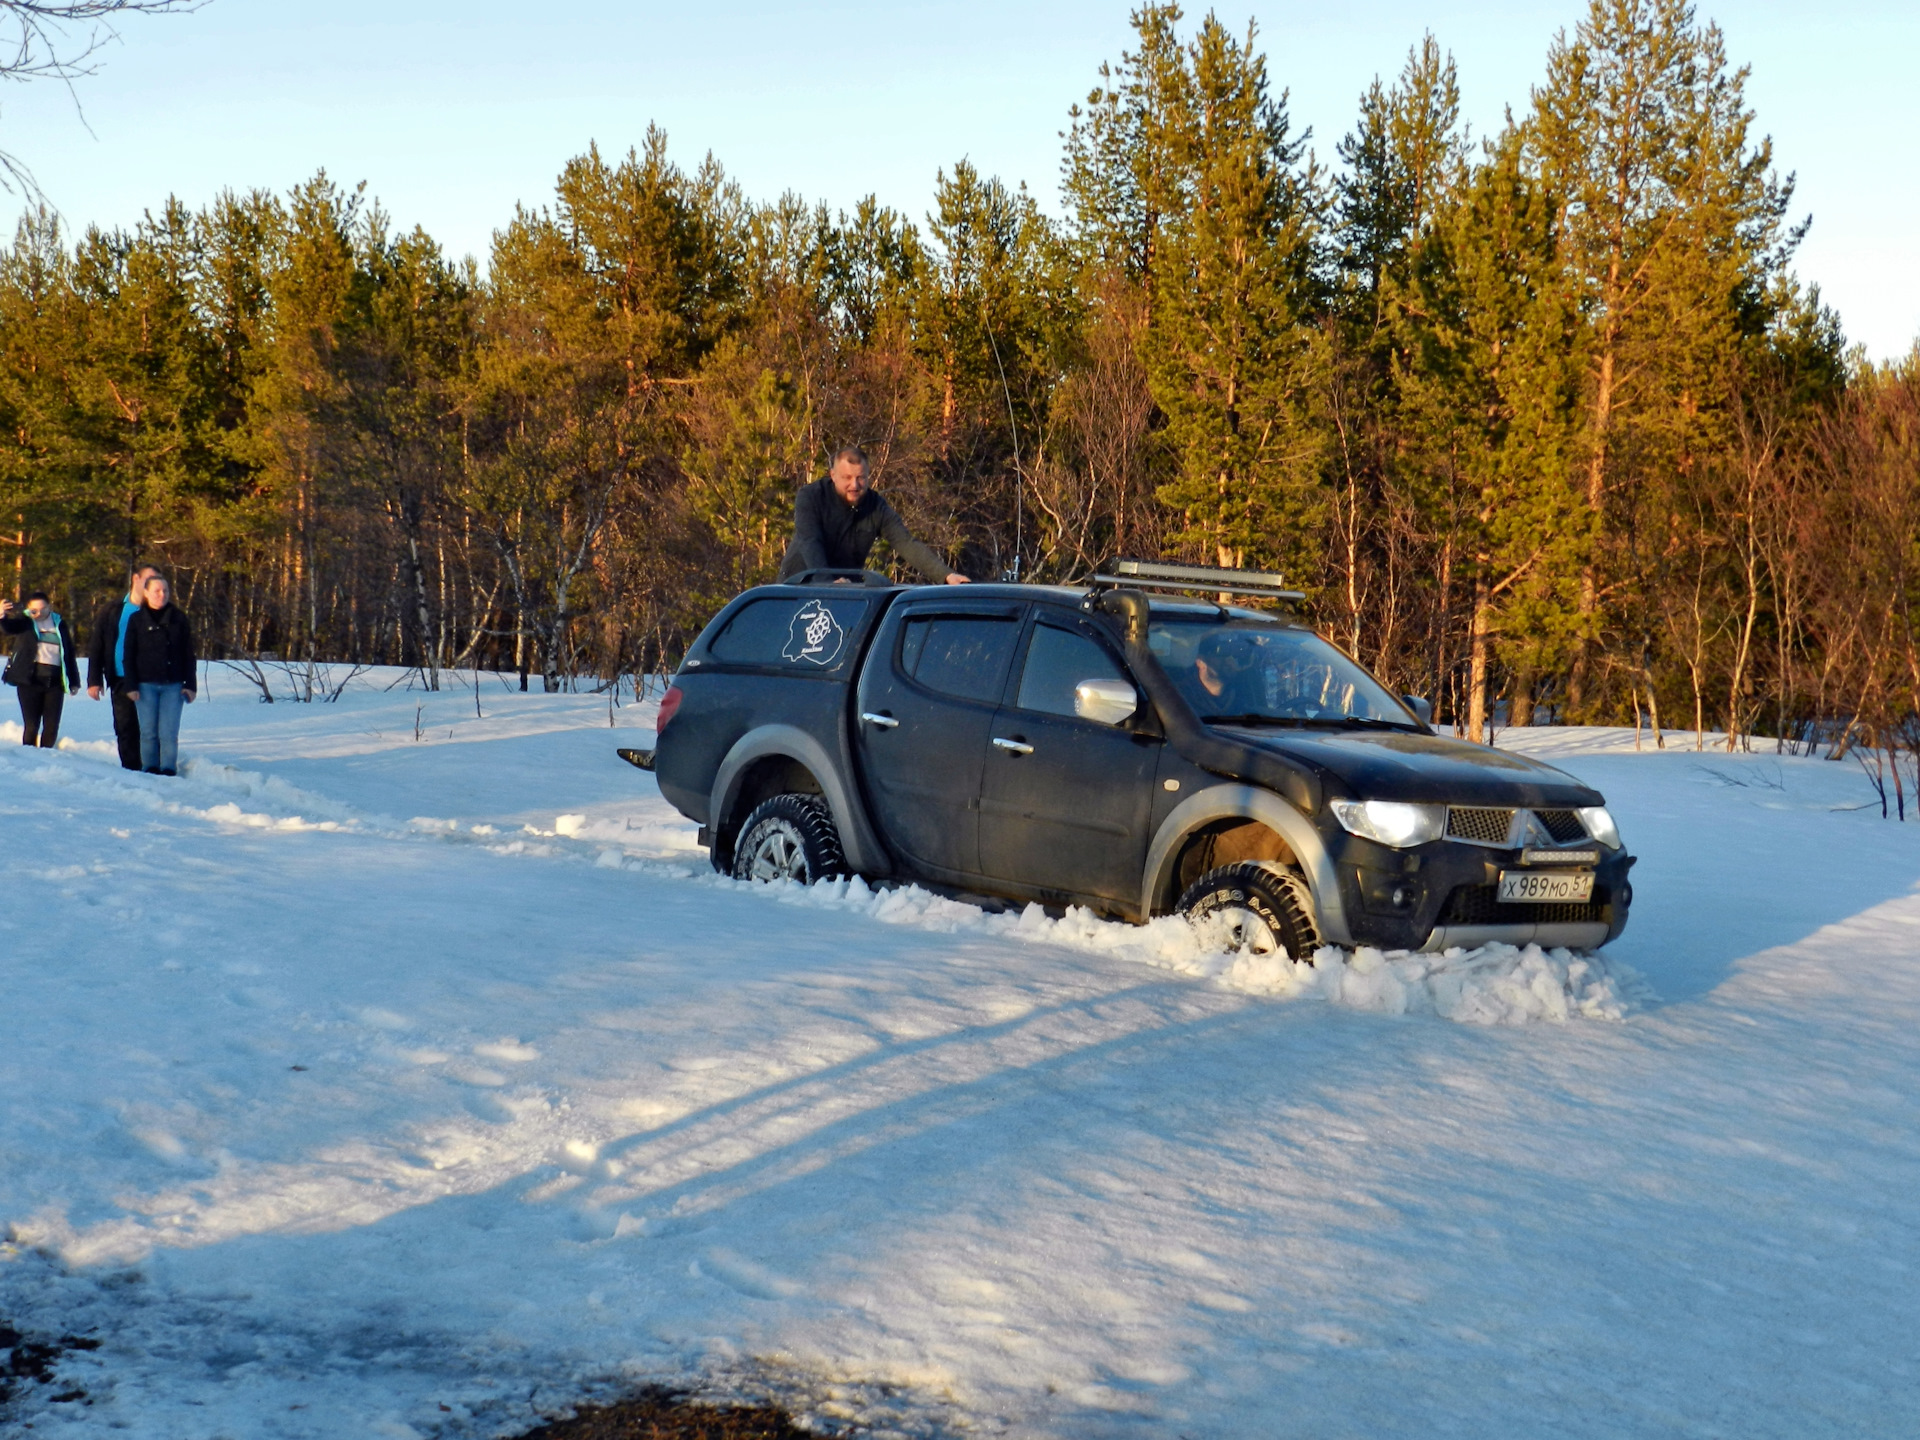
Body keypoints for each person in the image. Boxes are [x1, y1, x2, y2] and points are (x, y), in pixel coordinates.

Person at [778, 446, 970, 585]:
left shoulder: (876, 506)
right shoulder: (810, 497)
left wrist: (945, 575)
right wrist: (828, 582)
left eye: (861, 478)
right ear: (833, 475)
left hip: (846, 595)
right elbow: (810, 541)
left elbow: (906, 543)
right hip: (797, 590)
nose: (855, 485)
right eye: (847, 478)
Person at [120, 571, 196, 776]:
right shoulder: (136, 620)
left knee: (168, 732)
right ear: (146, 593)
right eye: (156, 591)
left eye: (165, 590)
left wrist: (190, 685)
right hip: (145, 685)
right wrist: (131, 685)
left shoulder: (179, 618)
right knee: (148, 732)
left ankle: (168, 769)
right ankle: (150, 768)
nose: (161, 594)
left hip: (173, 685)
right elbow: (128, 654)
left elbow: (189, 653)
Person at [86, 562, 159, 770]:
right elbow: (97, 644)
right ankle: (131, 769)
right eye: (148, 580)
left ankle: (153, 768)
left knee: (150, 728)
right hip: (120, 677)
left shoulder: (156, 611)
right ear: (136, 579)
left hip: (149, 679)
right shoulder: (113, 610)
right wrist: (94, 680)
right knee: (125, 727)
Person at [1, 591, 81, 747]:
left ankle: (47, 757)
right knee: (32, 726)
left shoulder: (59, 623)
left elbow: (68, 653)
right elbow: (8, 628)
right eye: (34, 611)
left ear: (50, 607)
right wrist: (1, 616)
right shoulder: (25, 622)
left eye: (43, 609)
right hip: (30, 680)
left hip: (55, 681)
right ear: (28, 610)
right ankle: (30, 757)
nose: (39, 614)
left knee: (51, 727)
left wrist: (74, 681)